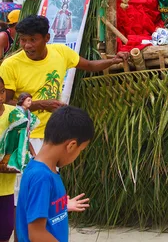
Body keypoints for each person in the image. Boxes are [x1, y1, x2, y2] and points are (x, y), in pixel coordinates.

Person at [0, 15, 128, 154]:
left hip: (52, 134)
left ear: (47, 38)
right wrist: (41, 104)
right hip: (23, 136)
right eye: (23, 40)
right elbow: (6, 103)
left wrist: (113, 60)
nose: (27, 45)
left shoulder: (61, 52)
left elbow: (90, 65)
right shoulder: (10, 65)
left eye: (33, 40)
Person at [15, 105, 94, 242]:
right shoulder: (42, 177)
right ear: (71, 145)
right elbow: (36, 234)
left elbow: (33, 209)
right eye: (80, 150)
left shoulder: (40, 168)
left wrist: (61, 207)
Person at [0, 76, 18, 242]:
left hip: (6, 187)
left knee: (5, 231)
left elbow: (21, 145)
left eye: (2, 91)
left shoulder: (14, 114)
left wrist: (13, 161)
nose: (0, 97)